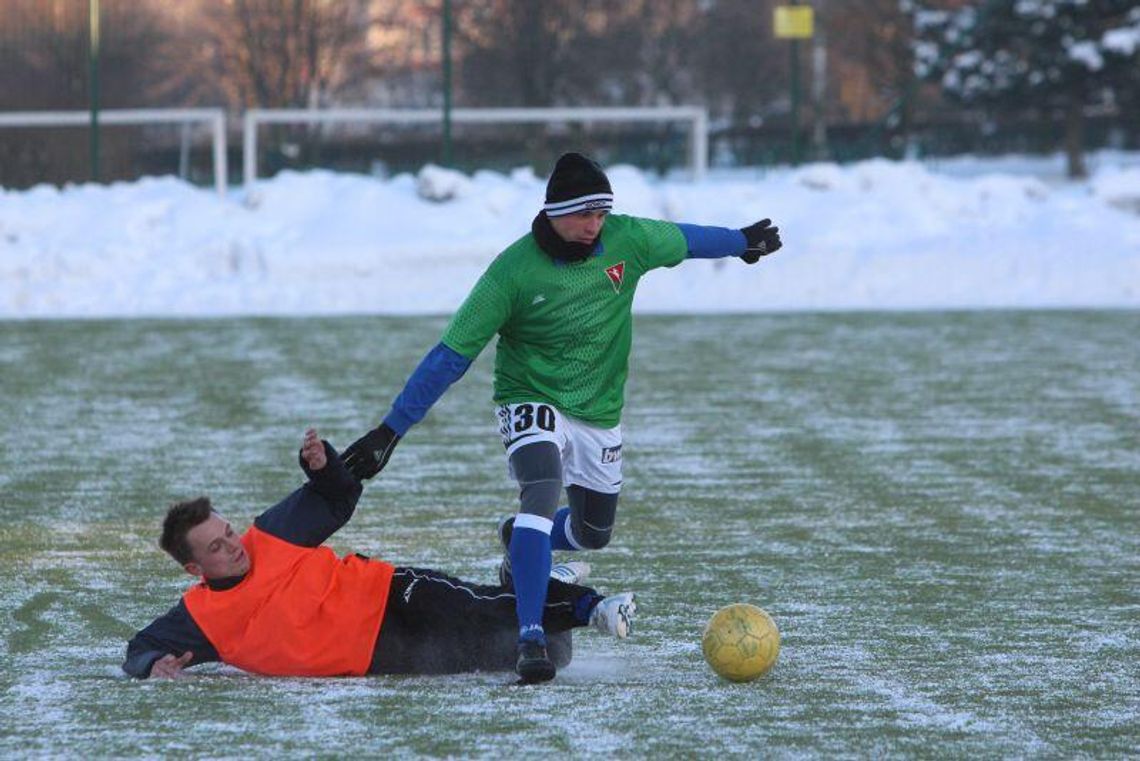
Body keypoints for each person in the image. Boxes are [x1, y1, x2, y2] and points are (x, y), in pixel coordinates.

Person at [341, 151, 784, 683]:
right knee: (541, 486)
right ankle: (531, 636)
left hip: (598, 410)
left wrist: (742, 242)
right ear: (553, 210)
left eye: (600, 215)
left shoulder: (628, 240)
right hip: (529, 397)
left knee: (593, 532)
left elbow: (686, 240)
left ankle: (521, 542)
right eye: (582, 215)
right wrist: (390, 430)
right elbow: (450, 357)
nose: (593, 227)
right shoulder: (512, 272)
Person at [123, 429, 636, 682]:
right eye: (216, 547)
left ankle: (592, 606)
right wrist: (153, 667)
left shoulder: (270, 535)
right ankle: (523, 571)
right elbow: (140, 648)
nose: (234, 545)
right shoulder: (197, 619)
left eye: (228, 532)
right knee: (531, 659)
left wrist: (322, 466)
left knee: (480, 610)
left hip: (389, 593)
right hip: (379, 656)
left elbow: (335, 498)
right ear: (194, 569)